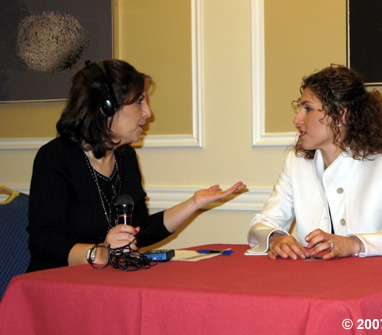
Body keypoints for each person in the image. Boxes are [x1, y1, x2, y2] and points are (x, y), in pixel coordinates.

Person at [27, 59, 246, 271]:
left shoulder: (125, 157)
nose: (148, 112)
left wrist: (194, 203)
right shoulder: (55, 157)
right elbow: (44, 242)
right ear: (107, 107)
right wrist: (100, 253)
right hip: (56, 285)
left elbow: (140, 230)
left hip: (103, 284)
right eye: (139, 101)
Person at [247, 64, 382, 260]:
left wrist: (355, 243)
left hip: (376, 282)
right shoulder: (296, 164)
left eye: (308, 109)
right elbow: (263, 223)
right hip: (315, 284)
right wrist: (275, 238)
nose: (297, 119)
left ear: (342, 115)